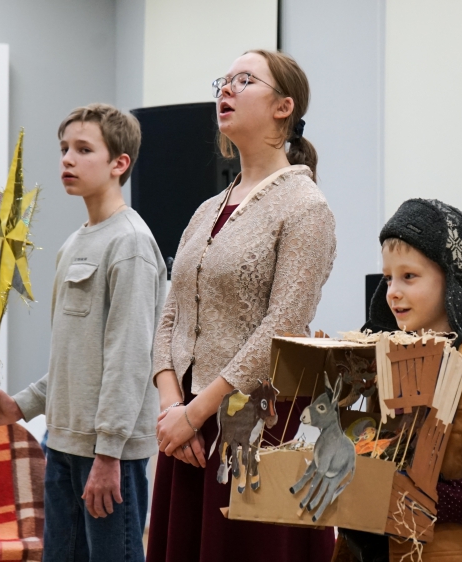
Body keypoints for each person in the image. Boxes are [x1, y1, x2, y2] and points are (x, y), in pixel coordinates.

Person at [146, 50, 337, 562]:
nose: (225, 90)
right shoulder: (207, 209)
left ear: (283, 107)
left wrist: (196, 412)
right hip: (185, 426)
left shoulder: (305, 206)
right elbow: (172, 313)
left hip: (255, 424)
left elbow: (283, 326)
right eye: (223, 82)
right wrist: (172, 407)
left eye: (244, 80)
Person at [0, 103, 166, 562]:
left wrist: (109, 455)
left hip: (107, 456)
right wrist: (21, 405)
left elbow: (129, 358)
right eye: (64, 148)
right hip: (62, 443)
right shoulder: (74, 243)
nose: (67, 159)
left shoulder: (131, 244)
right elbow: (73, 358)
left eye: (83, 149)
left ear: (119, 163)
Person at [340, 198, 462, 562]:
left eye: (409, 276)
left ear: (452, 282)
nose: (392, 291)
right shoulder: (386, 360)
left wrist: (399, 497)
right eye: (388, 278)